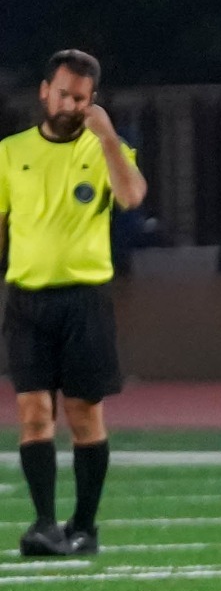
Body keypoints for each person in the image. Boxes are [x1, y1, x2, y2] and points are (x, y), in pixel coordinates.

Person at [5, 50, 147, 558]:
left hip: (85, 300)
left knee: (85, 416)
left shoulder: (105, 147)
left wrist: (108, 136)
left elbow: (131, 197)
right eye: (62, 93)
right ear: (45, 91)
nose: (68, 103)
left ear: (92, 103)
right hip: (26, 299)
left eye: (80, 98)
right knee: (33, 413)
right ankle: (44, 524)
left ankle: (84, 527)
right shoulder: (10, 152)